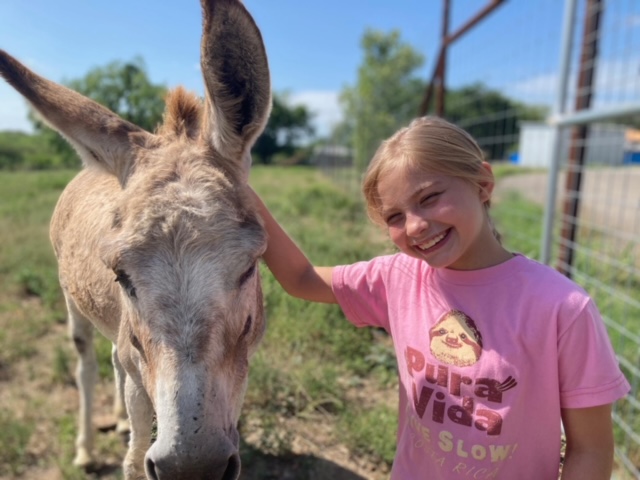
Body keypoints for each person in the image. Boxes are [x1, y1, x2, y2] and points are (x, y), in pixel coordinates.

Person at [249, 116, 630, 479]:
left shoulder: (562, 308)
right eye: (395, 216)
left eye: (429, 197)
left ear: (482, 183)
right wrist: (240, 191)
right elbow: (302, 279)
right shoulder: (397, 278)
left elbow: (590, 450)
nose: (414, 225)